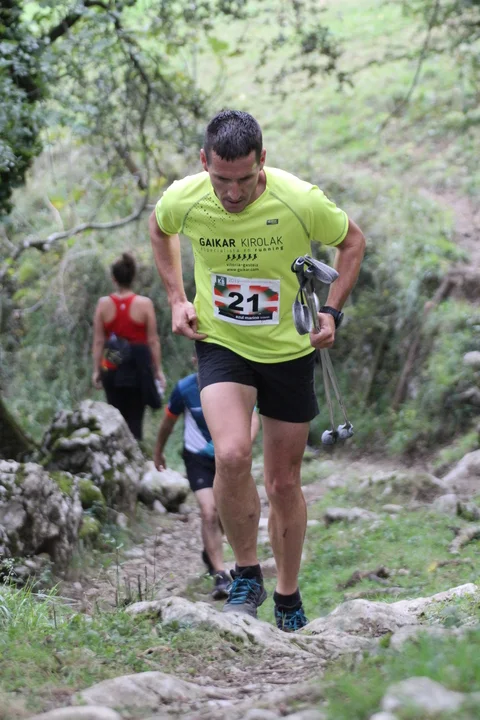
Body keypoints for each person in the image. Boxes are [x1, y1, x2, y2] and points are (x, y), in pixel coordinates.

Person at [149, 110, 366, 632]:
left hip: (289, 349)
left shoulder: (299, 199)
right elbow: (160, 229)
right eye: (221, 179)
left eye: (244, 179)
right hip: (222, 342)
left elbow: (352, 242)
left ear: (262, 160)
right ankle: (246, 574)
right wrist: (177, 298)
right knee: (229, 454)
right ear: (204, 162)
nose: (232, 193)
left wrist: (332, 312)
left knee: (283, 481)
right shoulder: (185, 197)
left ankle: (288, 596)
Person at [153, 361, 260, 600]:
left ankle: (211, 553)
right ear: (194, 359)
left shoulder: (236, 383)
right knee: (209, 511)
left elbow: (253, 418)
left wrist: (243, 445)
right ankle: (221, 574)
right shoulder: (184, 389)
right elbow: (168, 422)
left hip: (229, 456)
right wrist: (158, 451)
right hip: (197, 458)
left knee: (224, 512)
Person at [92, 252, 166, 440]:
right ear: (133, 276)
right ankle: (134, 449)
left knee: (114, 413)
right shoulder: (145, 304)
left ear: (113, 278)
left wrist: (96, 371)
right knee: (135, 416)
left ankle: (115, 449)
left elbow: (99, 341)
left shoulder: (103, 304)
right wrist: (158, 371)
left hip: (111, 361)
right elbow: (153, 340)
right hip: (138, 363)